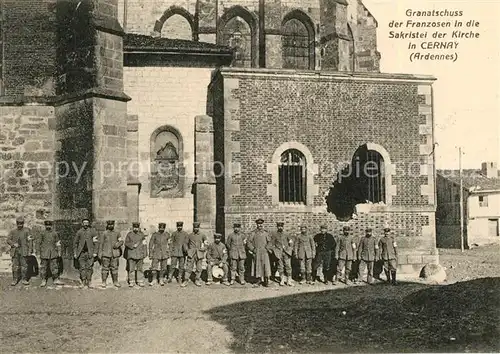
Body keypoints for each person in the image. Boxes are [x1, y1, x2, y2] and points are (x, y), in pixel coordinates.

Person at [7, 216, 34, 286]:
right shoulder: (13, 231)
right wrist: (13, 244)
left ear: (23, 223)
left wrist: (30, 250)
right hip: (15, 251)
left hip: (24, 251)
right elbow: (8, 240)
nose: (20, 225)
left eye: (21, 223)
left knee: (24, 266)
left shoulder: (27, 231)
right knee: (15, 266)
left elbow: (30, 241)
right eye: (18, 223)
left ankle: (24, 279)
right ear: (16, 223)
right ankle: (15, 279)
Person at [73, 218, 99, 289]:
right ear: (82, 224)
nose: (86, 224)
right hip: (81, 253)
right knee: (82, 268)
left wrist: (95, 252)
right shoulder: (79, 232)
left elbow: (96, 243)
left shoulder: (92, 232)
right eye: (84, 223)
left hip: (89, 253)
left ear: (89, 224)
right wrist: (75, 253)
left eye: (87, 223)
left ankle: (89, 281)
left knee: (89, 268)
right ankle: (83, 282)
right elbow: (75, 243)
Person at [36, 220, 63, 287]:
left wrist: (59, 252)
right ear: (45, 226)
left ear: (51, 226)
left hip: (53, 253)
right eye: (47, 225)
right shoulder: (42, 233)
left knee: (55, 266)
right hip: (44, 253)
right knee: (43, 267)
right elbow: (38, 243)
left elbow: (58, 243)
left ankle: (56, 279)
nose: (48, 227)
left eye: (49, 225)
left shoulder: (54, 233)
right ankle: (43, 280)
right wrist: (38, 253)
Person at [247, 218, 272, 287]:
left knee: (265, 266)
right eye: (258, 224)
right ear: (256, 224)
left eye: (261, 224)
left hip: (264, 252)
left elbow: (270, 242)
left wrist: (267, 248)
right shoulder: (253, 233)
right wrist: (252, 249)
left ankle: (266, 280)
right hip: (257, 251)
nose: (260, 225)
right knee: (257, 265)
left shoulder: (266, 233)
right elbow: (249, 242)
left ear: (262, 224)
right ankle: (258, 280)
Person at [98, 220, 123, 288]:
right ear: (107, 225)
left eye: (112, 224)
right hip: (106, 254)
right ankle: (104, 282)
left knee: (115, 268)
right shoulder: (104, 233)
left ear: (113, 225)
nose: (110, 226)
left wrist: (117, 245)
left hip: (114, 254)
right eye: (109, 225)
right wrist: (100, 254)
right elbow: (101, 244)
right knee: (105, 268)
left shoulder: (117, 233)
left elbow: (121, 241)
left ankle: (115, 281)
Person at [182, 222, 208, 287]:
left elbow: (206, 243)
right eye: (195, 227)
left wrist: (204, 249)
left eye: (197, 227)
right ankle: (186, 280)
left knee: (199, 268)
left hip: (199, 253)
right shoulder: (190, 235)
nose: (196, 229)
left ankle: (197, 279)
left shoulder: (202, 235)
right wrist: (187, 250)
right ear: (193, 228)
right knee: (188, 267)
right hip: (191, 253)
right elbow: (185, 244)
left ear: (199, 228)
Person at [270, 222, 295, 286]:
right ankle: (282, 280)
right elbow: (272, 244)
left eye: (281, 226)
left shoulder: (287, 234)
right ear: (277, 227)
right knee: (280, 266)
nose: (280, 227)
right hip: (278, 253)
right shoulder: (274, 235)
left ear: (283, 227)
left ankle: (289, 280)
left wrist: (289, 250)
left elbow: (291, 243)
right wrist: (275, 251)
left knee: (288, 266)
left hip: (286, 253)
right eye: (278, 226)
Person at [124, 222, 147, 287]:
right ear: (133, 227)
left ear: (138, 228)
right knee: (131, 269)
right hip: (132, 254)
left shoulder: (142, 235)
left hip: (140, 254)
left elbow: (144, 244)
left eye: (137, 227)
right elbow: (126, 243)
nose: (136, 229)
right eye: (134, 227)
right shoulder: (129, 234)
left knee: (140, 268)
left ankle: (140, 281)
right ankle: (131, 281)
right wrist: (132, 245)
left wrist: (145, 253)